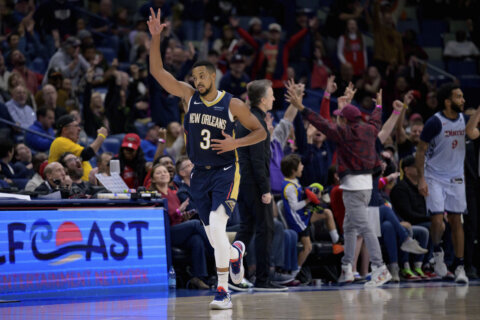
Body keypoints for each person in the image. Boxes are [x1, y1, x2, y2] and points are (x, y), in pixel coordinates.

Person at [147, 8, 266, 310]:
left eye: (202, 76)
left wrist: (235, 142)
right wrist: (156, 38)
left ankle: (223, 291)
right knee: (215, 238)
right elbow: (158, 73)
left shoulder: (232, 103)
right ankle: (236, 254)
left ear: (213, 76)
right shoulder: (188, 96)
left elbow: (260, 132)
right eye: (194, 77)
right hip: (199, 174)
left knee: (216, 222)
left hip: (226, 171)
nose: (197, 80)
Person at [286, 81, 392, 287]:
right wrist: (378, 105)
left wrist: (301, 107)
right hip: (366, 186)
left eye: (340, 117)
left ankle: (380, 268)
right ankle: (347, 269)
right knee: (349, 227)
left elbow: (320, 123)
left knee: (363, 227)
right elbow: (377, 118)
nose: (338, 119)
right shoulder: (370, 128)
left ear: (345, 119)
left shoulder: (344, 133)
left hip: (353, 187)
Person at [416, 83, 480, 284]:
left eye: (463, 96)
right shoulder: (434, 122)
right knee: (437, 219)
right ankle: (437, 253)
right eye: (459, 97)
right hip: (434, 176)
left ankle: (460, 266)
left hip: (456, 177)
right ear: (447, 101)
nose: (463, 100)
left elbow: (471, 132)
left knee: (456, 220)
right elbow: (420, 151)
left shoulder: (464, 119)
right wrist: (421, 178)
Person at [234, 80, 287, 292]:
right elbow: (258, 160)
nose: (274, 98)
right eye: (272, 94)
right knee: (266, 228)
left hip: (243, 183)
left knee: (247, 228)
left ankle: (231, 275)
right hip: (255, 184)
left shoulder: (247, 119)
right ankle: (263, 279)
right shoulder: (256, 121)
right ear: (263, 99)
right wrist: (266, 190)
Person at [150, 164, 211, 290]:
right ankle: (216, 251)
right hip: (165, 233)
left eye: (165, 172)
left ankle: (198, 277)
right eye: (158, 173)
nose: (163, 174)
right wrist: (179, 211)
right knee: (195, 224)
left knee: (196, 240)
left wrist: (184, 215)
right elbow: (162, 218)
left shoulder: (173, 193)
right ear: (153, 179)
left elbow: (178, 216)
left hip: (178, 229)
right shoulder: (154, 196)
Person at [280, 154, 343, 271]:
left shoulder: (294, 181)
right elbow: (294, 207)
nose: (303, 167)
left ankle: (337, 243)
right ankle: (294, 273)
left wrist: (311, 192)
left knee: (327, 213)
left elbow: (302, 195)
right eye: (300, 165)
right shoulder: (289, 187)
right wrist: (308, 199)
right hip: (297, 220)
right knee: (307, 248)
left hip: (303, 214)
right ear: (294, 170)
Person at [48, 114, 108, 181]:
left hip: (85, 185)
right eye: (76, 126)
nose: (79, 129)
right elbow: (86, 154)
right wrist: (101, 136)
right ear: (64, 130)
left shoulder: (71, 144)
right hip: (73, 186)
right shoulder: (59, 141)